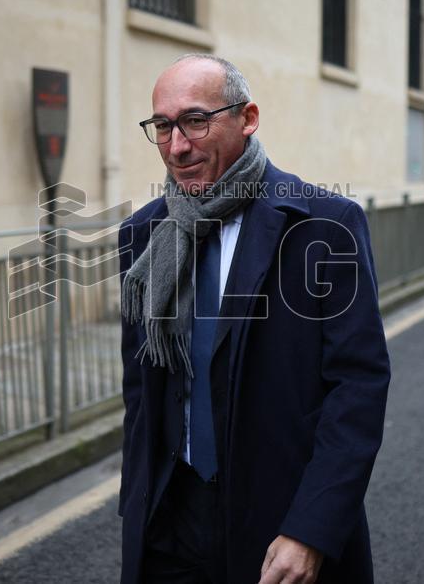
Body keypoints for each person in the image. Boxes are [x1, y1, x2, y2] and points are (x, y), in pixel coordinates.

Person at [117, 54, 391, 583]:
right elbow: (140, 393)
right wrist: (137, 507)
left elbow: (358, 386)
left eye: (196, 120)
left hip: (279, 523)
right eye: (163, 126)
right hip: (171, 524)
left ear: (248, 118)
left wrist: (311, 528)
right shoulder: (142, 235)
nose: (177, 145)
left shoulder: (325, 225)